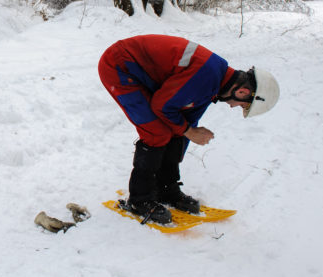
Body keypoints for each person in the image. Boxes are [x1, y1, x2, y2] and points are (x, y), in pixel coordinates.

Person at [98, 34, 279, 224]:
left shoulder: (215, 81)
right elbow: (162, 106)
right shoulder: (207, 77)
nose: (234, 107)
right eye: (242, 105)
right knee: (156, 132)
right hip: (120, 66)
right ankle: (139, 200)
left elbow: (185, 124)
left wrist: (187, 133)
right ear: (242, 92)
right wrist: (189, 132)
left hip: (141, 71)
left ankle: (166, 189)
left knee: (178, 127)